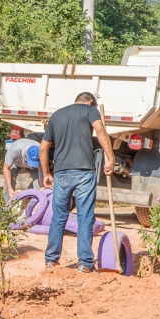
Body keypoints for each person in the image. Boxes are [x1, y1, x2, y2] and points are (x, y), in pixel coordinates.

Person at [40, 91, 114, 273]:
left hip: (61, 173)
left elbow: (43, 148)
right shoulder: (90, 111)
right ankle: (86, 263)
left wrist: (46, 173)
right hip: (84, 172)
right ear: (90, 102)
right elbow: (100, 130)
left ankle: (51, 261)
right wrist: (110, 158)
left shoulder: (56, 115)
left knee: (58, 217)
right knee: (85, 217)